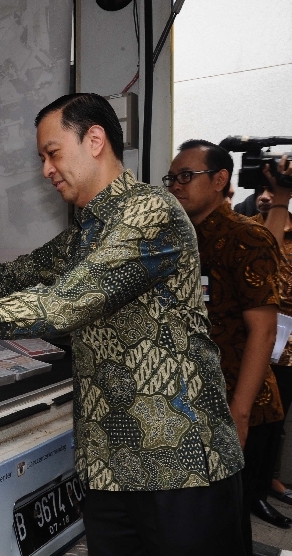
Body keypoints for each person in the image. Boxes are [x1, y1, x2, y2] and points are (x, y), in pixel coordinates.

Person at [0, 93, 245, 555]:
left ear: (94, 139)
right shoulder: (90, 226)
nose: (46, 170)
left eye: (52, 153)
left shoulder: (150, 212)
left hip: (177, 467)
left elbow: (61, 305)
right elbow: (26, 270)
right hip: (110, 468)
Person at [166, 140, 285, 548]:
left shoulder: (245, 237)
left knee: (227, 530)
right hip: (197, 404)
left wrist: (240, 414)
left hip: (238, 406)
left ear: (220, 180)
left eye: (186, 176)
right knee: (199, 527)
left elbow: (263, 332)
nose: (176, 185)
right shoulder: (183, 240)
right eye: (171, 178)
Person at [253, 155, 292, 507]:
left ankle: (270, 481)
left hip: (289, 346)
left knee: (278, 419)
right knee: (256, 420)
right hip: (256, 341)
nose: (267, 196)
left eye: (273, 190)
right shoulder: (248, 230)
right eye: (262, 190)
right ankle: (254, 492)